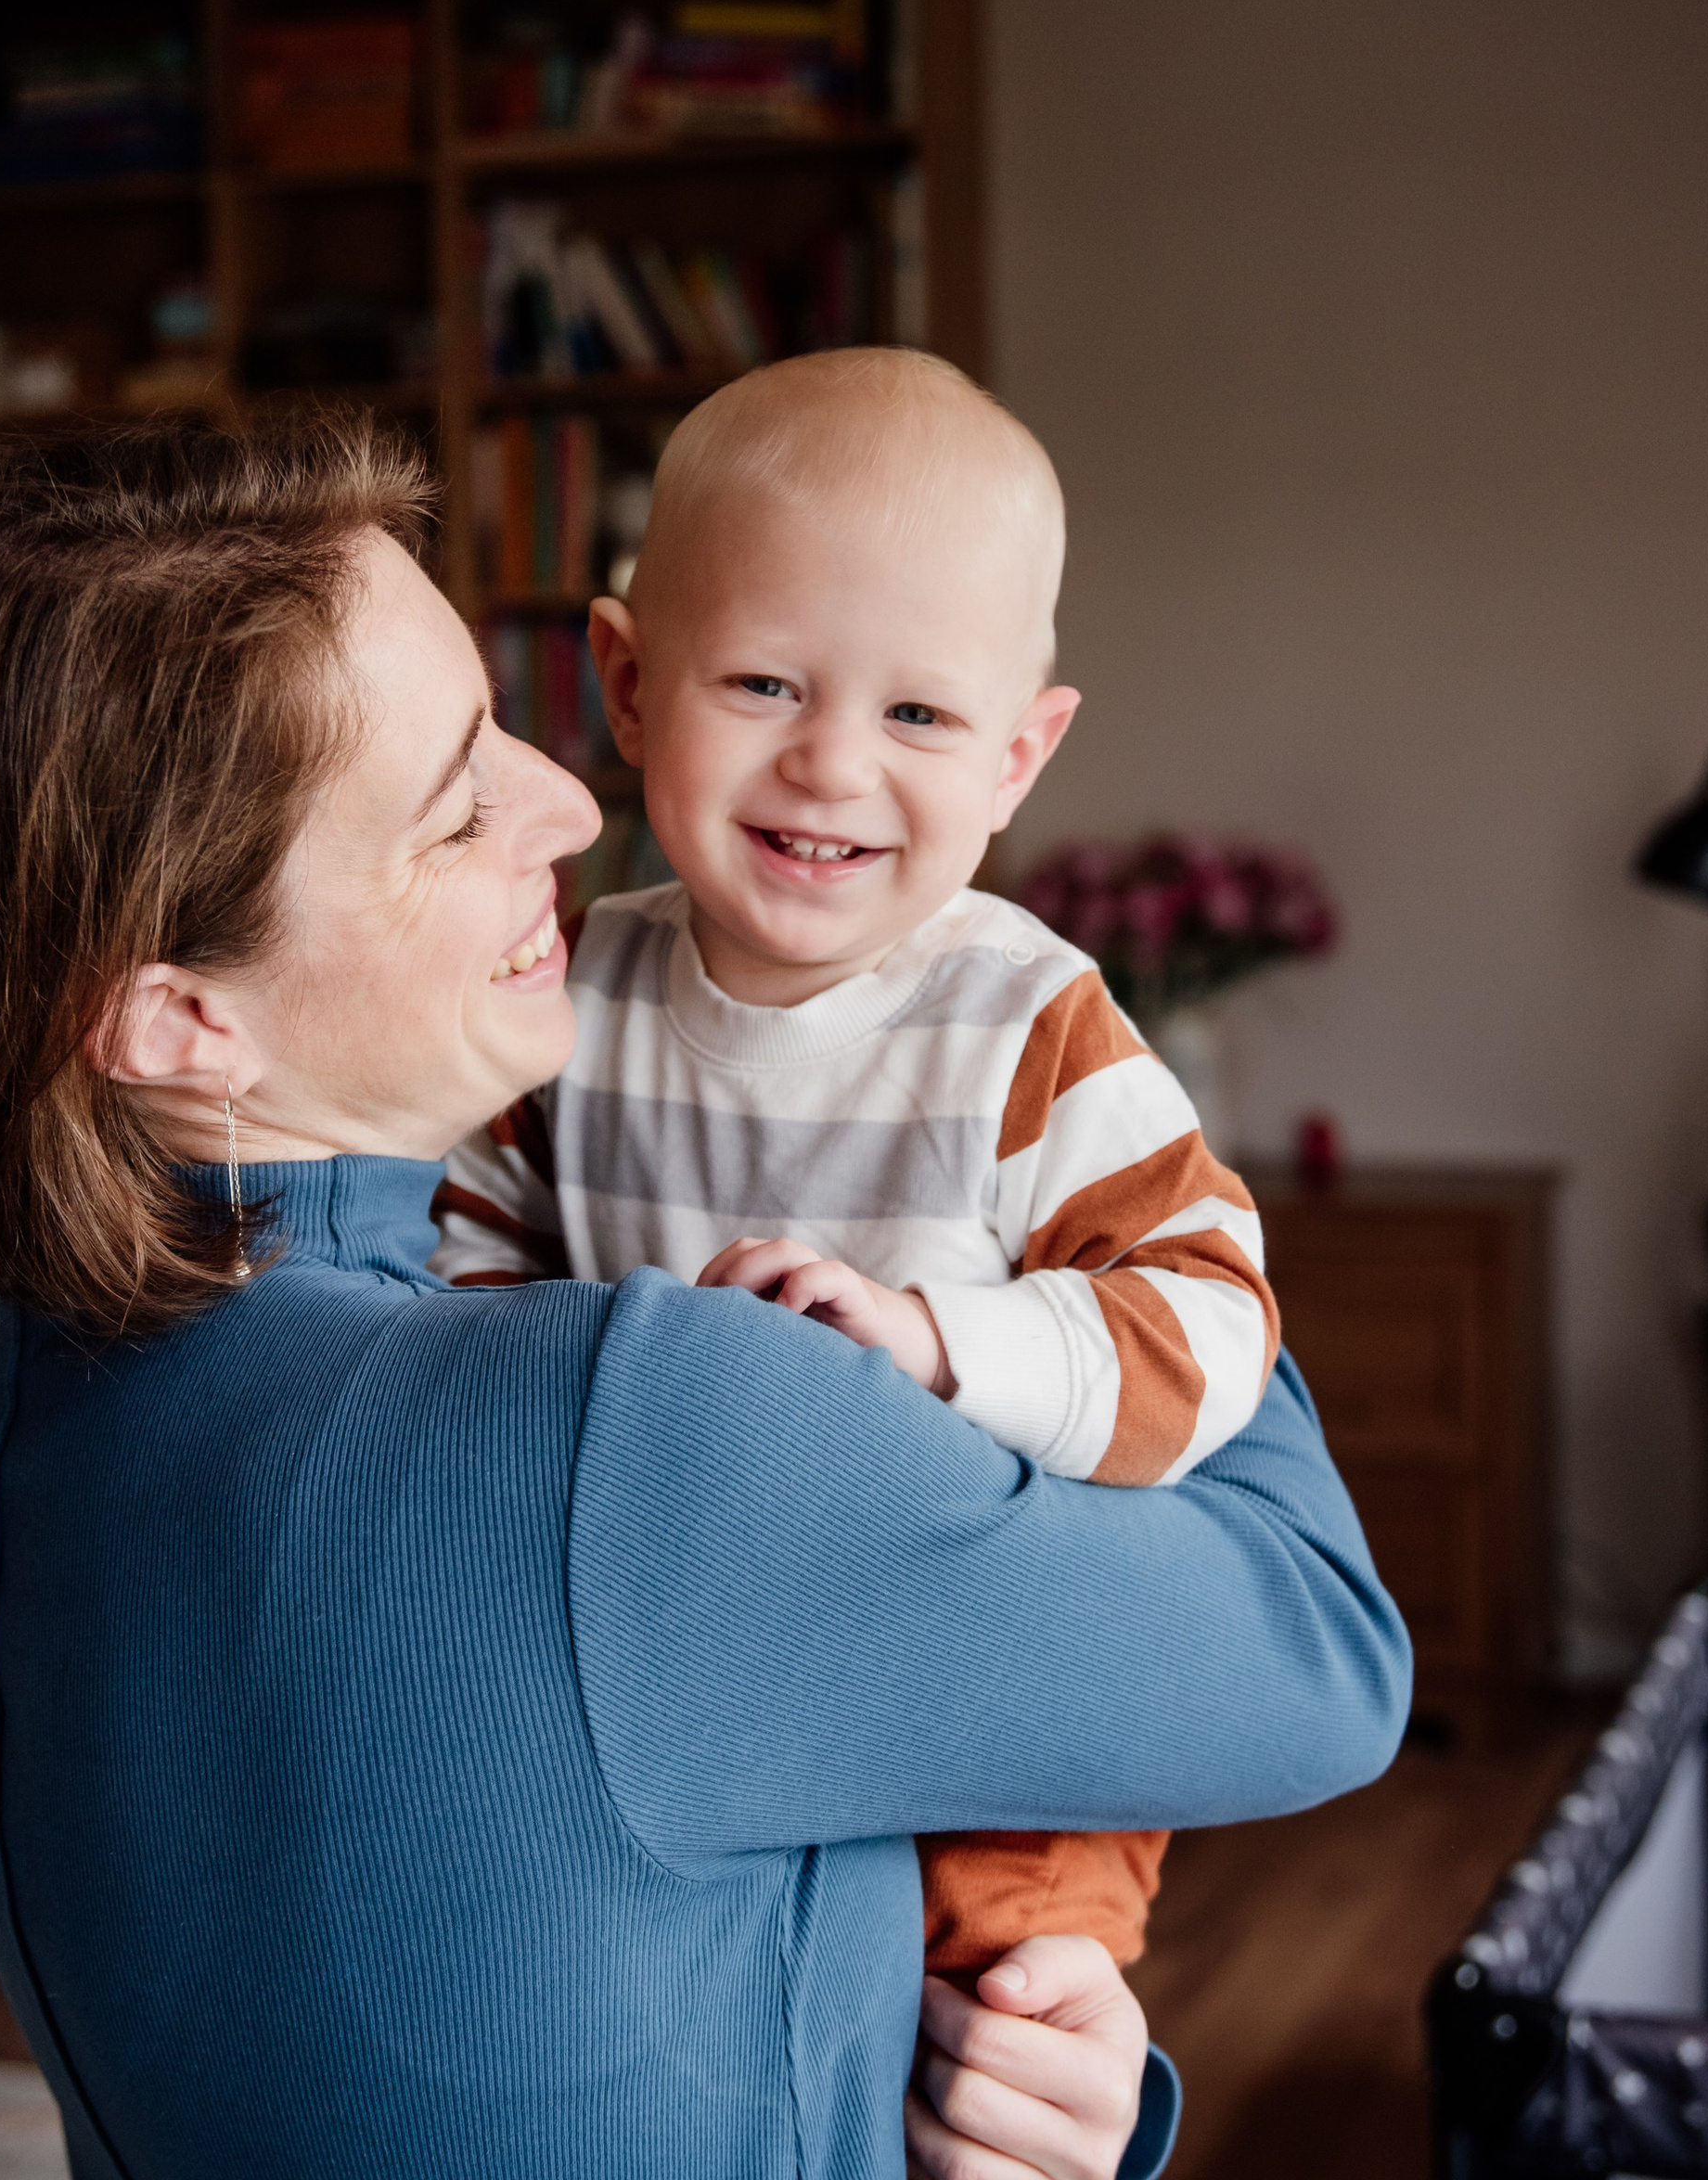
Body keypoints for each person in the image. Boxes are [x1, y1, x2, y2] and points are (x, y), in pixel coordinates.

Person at [0, 414, 1409, 2180]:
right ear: (175, 1015)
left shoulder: (11, 1439)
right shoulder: (635, 1429)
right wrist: (1076, 1158)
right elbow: (1324, 1659)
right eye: (454, 804)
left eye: (507, 726)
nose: (576, 805)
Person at [435, 350, 1281, 1988]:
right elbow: (475, 1241)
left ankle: (1038, 2068)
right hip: (701, 1643)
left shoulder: (1028, 1023)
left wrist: (939, 1342)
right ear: (624, 682)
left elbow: (1212, 1320)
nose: (833, 764)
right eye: (763, 685)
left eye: (917, 713)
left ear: (1017, 760)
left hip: (991, 1666)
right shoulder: (573, 989)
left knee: (1001, 1997)